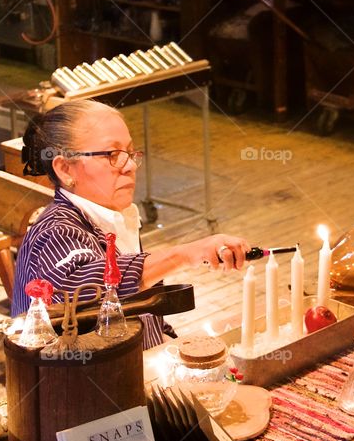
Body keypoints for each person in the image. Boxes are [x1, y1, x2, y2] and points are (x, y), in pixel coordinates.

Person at [13, 99, 249, 348]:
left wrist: (168, 343)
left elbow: (139, 305)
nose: (129, 166)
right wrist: (184, 254)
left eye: (130, 153)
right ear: (65, 169)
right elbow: (92, 293)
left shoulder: (115, 217)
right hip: (77, 382)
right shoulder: (56, 231)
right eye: (112, 155)